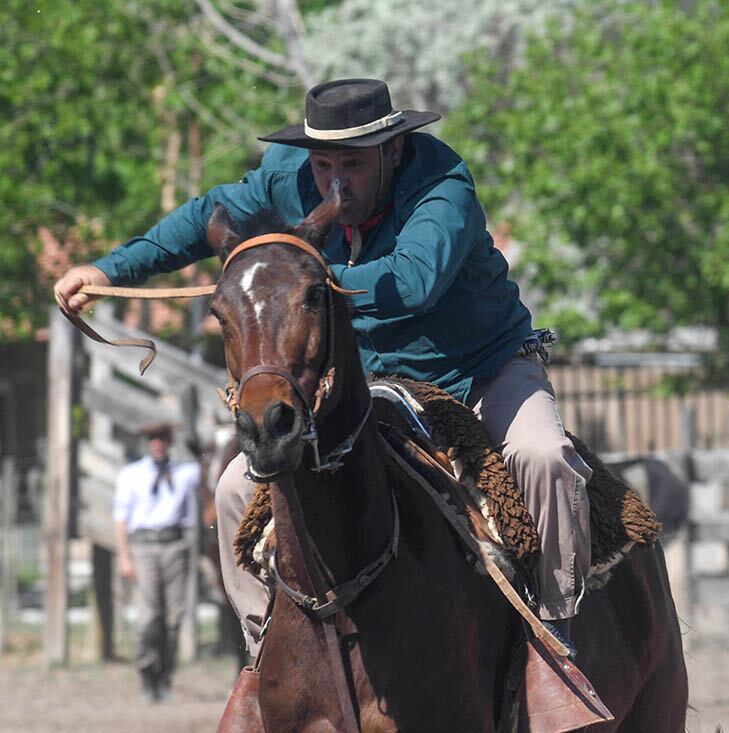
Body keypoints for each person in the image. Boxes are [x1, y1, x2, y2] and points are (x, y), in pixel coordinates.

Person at [54, 78, 591, 659]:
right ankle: (265, 653)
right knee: (234, 488)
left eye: (353, 163)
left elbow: (413, 283)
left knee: (543, 457)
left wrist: (301, 282)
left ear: (393, 149)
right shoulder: (288, 177)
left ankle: (557, 633)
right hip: (373, 381)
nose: (334, 181)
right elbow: (202, 217)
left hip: (481, 372)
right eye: (324, 161)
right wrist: (111, 270)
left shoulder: (443, 188)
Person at [112, 421, 201, 702]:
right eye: (153, 439)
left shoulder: (186, 474)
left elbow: (211, 471)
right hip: (144, 547)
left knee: (174, 617)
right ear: (147, 443)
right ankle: (147, 674)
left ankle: (166, 676)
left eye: (162, 438)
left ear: (170, 441)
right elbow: (121, 519)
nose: (157, 443)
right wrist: (124, 557)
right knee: (149, 617)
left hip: (175, 545)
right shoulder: (131, 475)